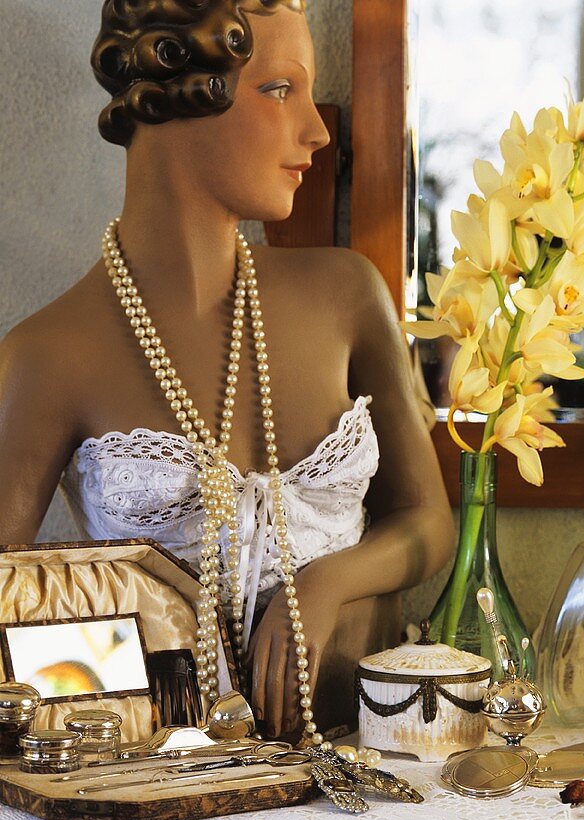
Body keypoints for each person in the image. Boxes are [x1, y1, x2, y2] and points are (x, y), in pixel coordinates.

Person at [0, 0, 453, 739]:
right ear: (179, 99)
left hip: (353, 775)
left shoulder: (345, 295)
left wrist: (328, 580)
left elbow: (429, 520)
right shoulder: (46, 355)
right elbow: (12, 612)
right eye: (280, 90)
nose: (316, 129)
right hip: (151, 793)